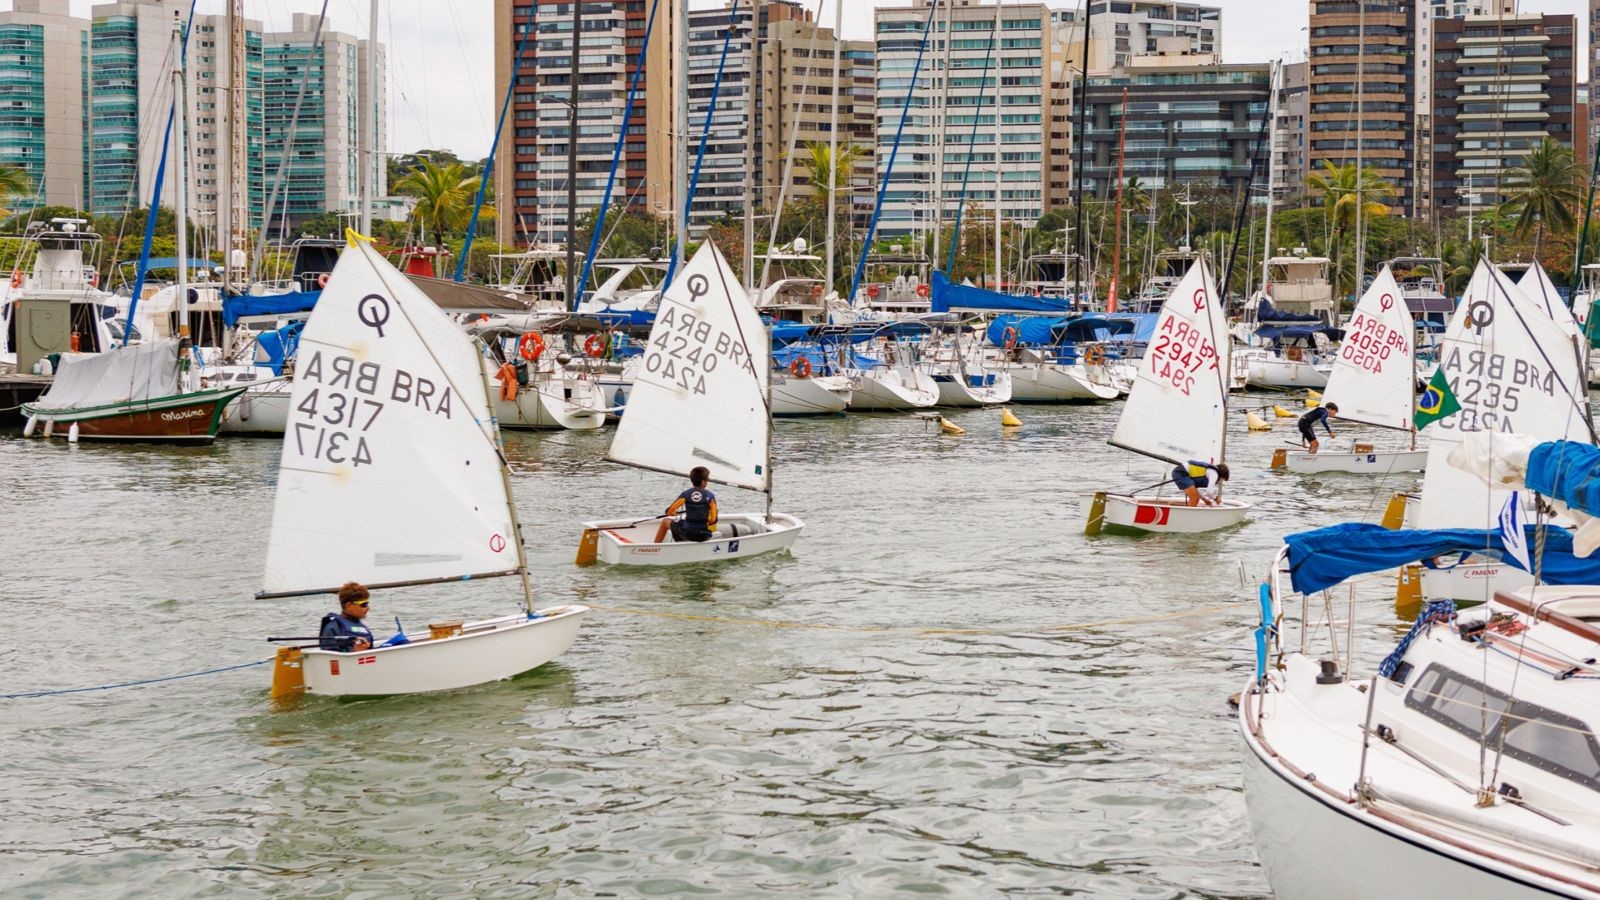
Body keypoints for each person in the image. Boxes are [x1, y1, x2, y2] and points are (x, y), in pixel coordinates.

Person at [656, 466, 718, 543]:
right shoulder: (710, 496)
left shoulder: (685, 494)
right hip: (703, 535)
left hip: (687, 533)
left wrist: (673, 513)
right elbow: (713, 520)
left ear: (692, 480)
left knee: (665, 521)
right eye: (707, 480)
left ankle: (655, 546)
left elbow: (669, 512)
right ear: (703, 482)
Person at [320, 582, 375, 652]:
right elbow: (329, 659)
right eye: (364, 604)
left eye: (367, 604)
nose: (367, 608)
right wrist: (355, 652)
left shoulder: (363, 628)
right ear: (348, 605)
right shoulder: (333, 628)